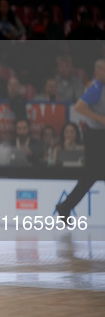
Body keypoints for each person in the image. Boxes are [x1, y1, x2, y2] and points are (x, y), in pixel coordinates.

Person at [56, 60, 105, 221]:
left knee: (91, 175)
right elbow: (79, 107)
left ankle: (66, 206)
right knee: (91, 174)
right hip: (96, 135)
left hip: (98, 134)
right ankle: (65, 206)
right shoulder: (96, 88)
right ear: (97, 72)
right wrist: (100, 118)